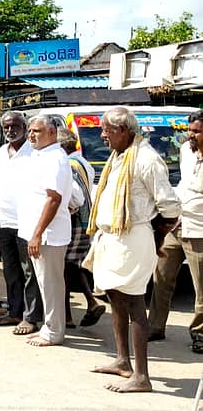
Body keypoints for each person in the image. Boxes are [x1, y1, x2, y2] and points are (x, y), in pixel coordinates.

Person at [87, 107, 180, 393]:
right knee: (116, 298)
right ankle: (122, 361)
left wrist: (158, 235)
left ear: (124, 131)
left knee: (134, 304)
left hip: (133, 238)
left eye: (107, 130)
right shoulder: (119, 155)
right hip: (113, 238)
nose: (102, 135)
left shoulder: (146, 159)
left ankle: (142, 376)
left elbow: (170, 206)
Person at [149, 110, 203, 354]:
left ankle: (199, 334)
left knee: (201, 287)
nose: (190, 135)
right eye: (189, 130)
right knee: (160, 278)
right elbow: (182, 184)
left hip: (199, 230)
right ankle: (155, 327)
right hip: (176, 224)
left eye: (196, 131)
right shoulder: (185, 151)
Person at [17, 115, 73, 347]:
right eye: (30, 130)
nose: (31, 135)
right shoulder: (40, 156)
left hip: (48, 234)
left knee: (51, 284)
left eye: (37, 131)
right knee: (44, 282)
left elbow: (53, 199)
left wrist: (38, 233)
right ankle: (50, 327)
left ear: (52, 133)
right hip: (36, 231)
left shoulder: (55, 159)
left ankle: (53, 331)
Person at [0, 111, 43, 334]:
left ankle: (31, 318)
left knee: (29, 271)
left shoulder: (35, 153)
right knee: (10, 271)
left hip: (26, 222)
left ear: (25, 126)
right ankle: (14, 312)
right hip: (4, 221)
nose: (10, 130)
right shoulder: (2, 151)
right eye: (6, 127)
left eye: (15, 126)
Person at [57, 128, 105, 329]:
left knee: (65, 269)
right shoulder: (83, 162)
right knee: (73, 267)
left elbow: (75, 198)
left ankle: (67, 315)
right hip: (84, 223)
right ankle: (91, 302)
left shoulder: (69, 165)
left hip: (74, 221)